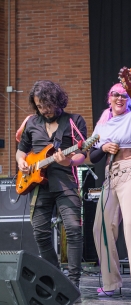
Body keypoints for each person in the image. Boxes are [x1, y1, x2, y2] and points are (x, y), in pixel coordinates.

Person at [16, 80, 87, 290]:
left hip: (65, 182)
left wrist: (70, 161)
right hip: (38, 185)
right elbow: (22, 150)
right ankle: (56, 277)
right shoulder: (32, 123)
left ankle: (73, 282)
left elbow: (83, 153)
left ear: (57, 100)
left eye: (46, 105)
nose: (43, 110)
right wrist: (21, 161)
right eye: (39, 106)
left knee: (73, 229)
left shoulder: (74, 121)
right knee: (39, 232)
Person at [89, 82, 131, 301]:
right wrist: (103, 147)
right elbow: (92, 155)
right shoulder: (103, 125)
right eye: (115, 95)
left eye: (124, 96)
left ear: (129, 100)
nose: (119, 98)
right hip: (110, 176)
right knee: (101, 228)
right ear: (109, 98)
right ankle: (110, 282)